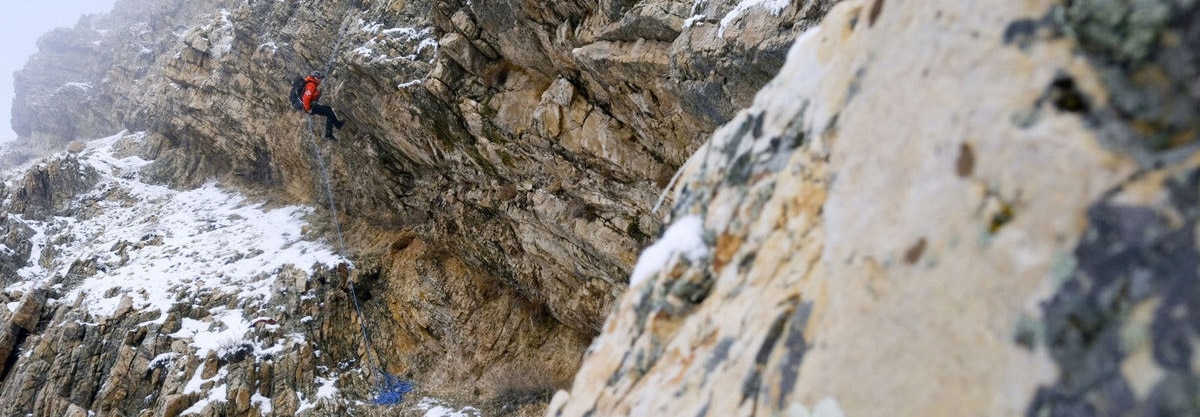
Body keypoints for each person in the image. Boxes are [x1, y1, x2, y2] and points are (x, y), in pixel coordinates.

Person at [302, 70, 346, 140]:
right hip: (310, 107)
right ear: (316, 78)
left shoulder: (311, 84)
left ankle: (337, 124)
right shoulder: (311, 85)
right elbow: (306, 98)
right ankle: (329, 134)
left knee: (328, 109)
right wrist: (308, 109)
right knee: (329, 113)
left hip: (311, 106)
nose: (320, 81)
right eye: (320, 79)